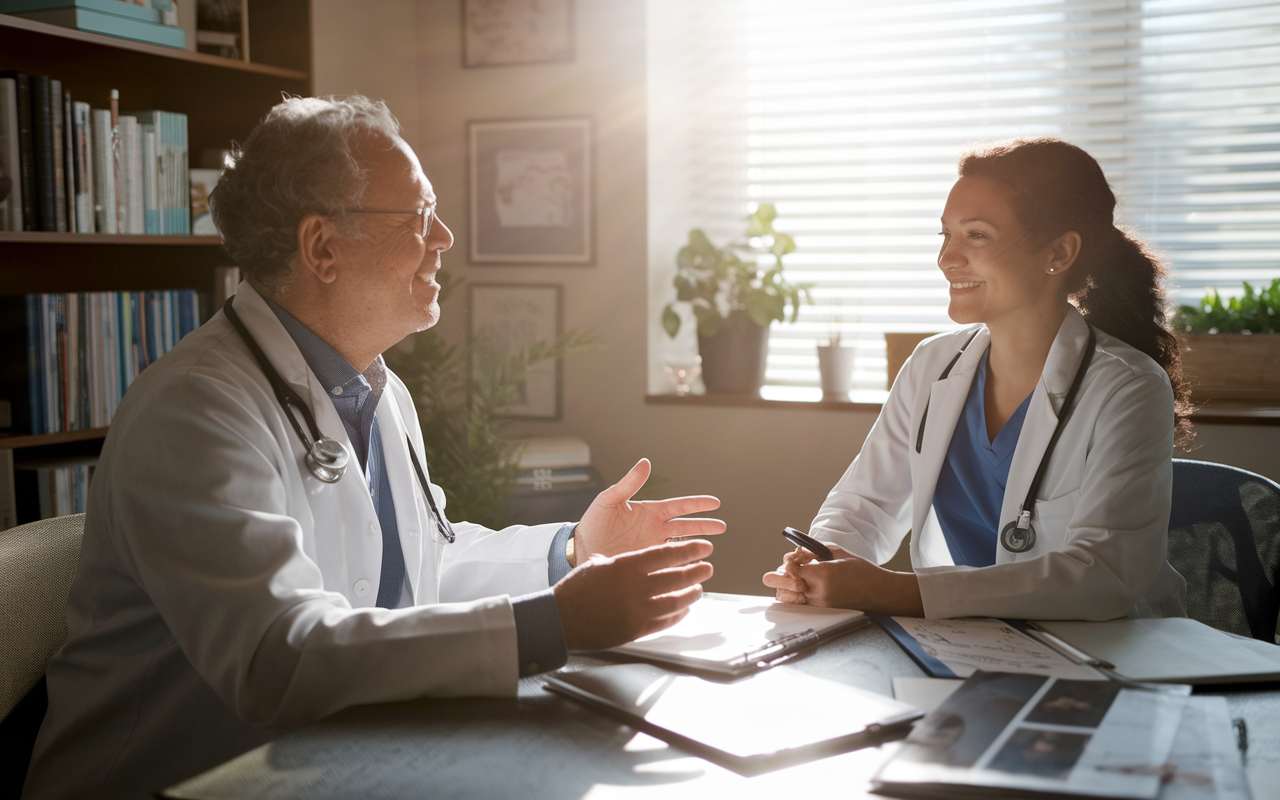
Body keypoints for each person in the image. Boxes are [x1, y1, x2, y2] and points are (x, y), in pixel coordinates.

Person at [22, 96, 724, 799]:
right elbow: (279, 656)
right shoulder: (195, 411)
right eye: (419, 218)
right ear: (322, 247)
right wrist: (553, 623)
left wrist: (570, 553)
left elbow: (419, 569)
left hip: (324, 768)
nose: (444, 236)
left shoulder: (377, 391)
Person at [763, 137, 1190, 621]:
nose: (947, 258)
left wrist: (895, 593)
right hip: (972, 646)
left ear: (1060, 251)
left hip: (1112, 657)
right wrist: (820, 560)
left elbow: (1101, 574)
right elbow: (866, 504)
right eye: (944, 235)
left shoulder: (1128, 387)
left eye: (977, 236)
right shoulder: (931, 365)